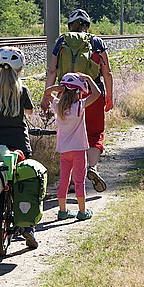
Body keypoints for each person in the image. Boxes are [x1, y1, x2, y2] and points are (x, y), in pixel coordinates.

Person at [41, 8, 113, 193]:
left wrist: (46, 97)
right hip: (92, 93)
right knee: (95, 133)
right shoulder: (96, 42)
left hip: (66, 95)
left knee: (71, 135)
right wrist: (109, 97)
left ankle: (73, 181)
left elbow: (52, 71)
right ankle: (92, 168)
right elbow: (107, 72)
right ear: (87, 25)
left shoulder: (61, 42)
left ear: (69, 25)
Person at [0, 46, 38, 249]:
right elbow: (29, 112)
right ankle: (27, 227)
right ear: (20, 68)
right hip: (19, 144)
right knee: (25, 180)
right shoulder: (22, 90)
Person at [43, 72, 101, 221]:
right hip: (79, 150)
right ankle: (82, 211)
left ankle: (62, 211)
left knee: (64, 180)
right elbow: (97, 93)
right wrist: (88, 78)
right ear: (78, 92)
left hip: (64, 151)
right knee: (79, 181)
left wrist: (58, 87)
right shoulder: (79, 106)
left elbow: (47, 93)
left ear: (64, 92)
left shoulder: (58, 106)